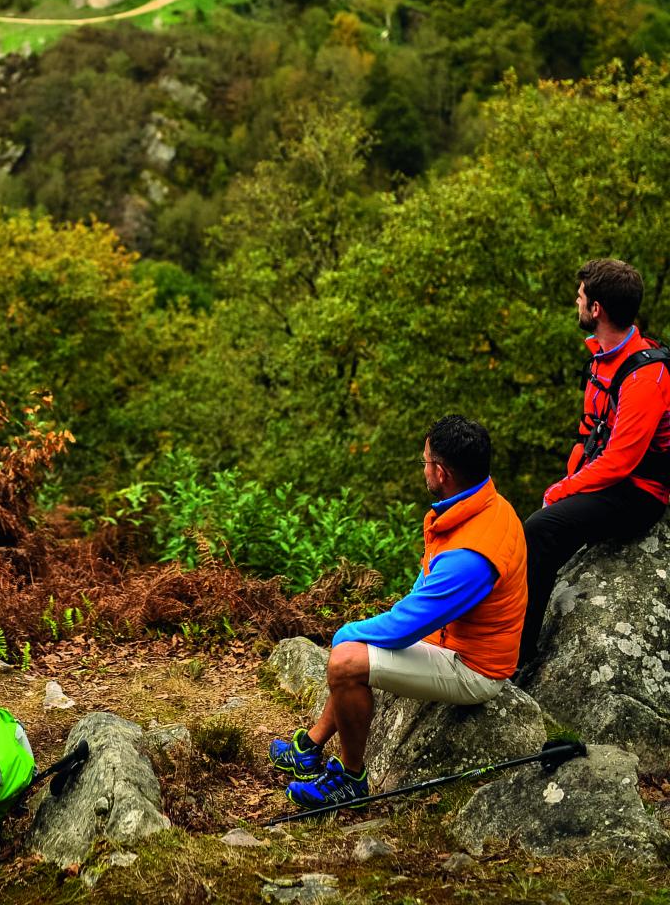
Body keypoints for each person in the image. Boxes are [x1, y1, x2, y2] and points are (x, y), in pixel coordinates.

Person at [268, 416, 526, 809]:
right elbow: (422, 596)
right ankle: (310, 747)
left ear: (441, 472)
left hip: (473, 668)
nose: (422, 468)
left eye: (425, 462)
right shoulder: (482, 505)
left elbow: (407, 627)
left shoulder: (471, 556)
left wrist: (346, 634)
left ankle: (350, 780)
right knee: (356, 647)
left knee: (345, 661)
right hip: (448, 640)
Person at [517, 258, 670, 669]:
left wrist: (562, 492)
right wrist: (568, 483)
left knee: (540, 529)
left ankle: (518, 656)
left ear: (596, 308)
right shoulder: (604, 357)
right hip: (612, 482)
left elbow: (621, 460)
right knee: (541, 527)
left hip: (639, 493)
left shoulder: (646, 375)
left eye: (581, 296)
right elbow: (588, 436)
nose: (577, 301)